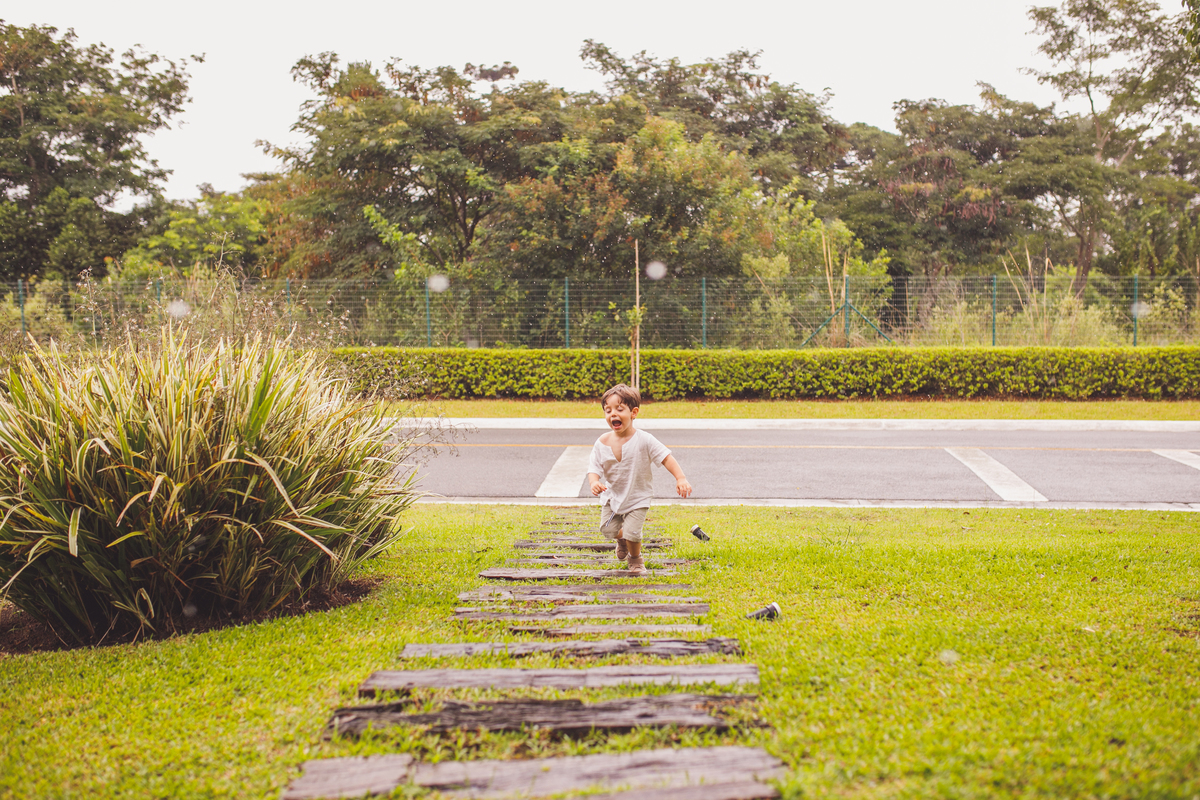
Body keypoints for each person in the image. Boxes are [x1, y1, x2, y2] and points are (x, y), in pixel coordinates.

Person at [586, 383, 692, 576]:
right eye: (607, 410)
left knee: (633, 532)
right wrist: (594, 482)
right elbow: (594, 468)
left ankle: (635, 559)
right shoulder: (602, 442)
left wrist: (681, 478)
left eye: (619, 409)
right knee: (607, 529)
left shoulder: (645, 439)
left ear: (633, 412)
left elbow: (666, 457)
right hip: (613, 497)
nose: (612, 414)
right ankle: (622, 540)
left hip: (637, 497)